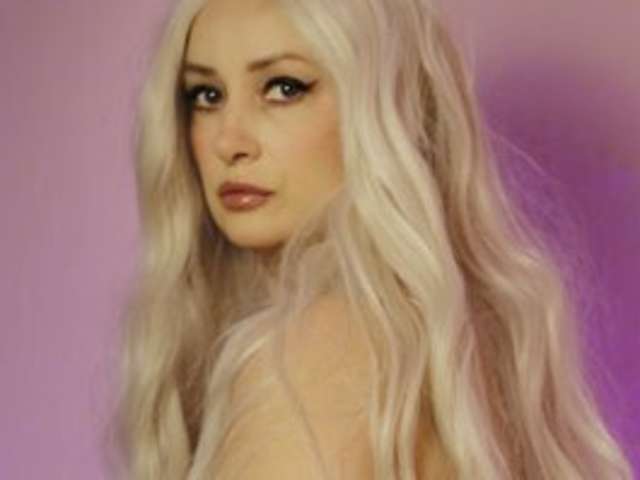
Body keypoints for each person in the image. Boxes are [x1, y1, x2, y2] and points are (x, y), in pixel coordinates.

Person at [111, 0, 634, 478]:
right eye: (206, 95)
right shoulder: (458, 351)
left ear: (385, 110)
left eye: (284, 87)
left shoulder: (317, 354)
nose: (229, 140)